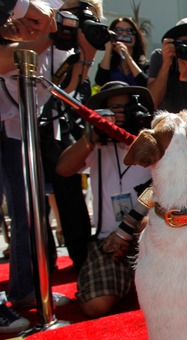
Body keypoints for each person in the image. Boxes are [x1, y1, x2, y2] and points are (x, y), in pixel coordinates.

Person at [0, 0, 100, 326]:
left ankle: (26, 289)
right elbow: (8, 59)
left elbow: (59, 89)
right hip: (10, 128)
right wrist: (50, 32)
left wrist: (76, 50)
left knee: (26, 211)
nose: (31, 25)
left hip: (16, 130)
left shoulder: (45, 39)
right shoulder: (30, 28)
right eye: (25, 19)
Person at [56, 81, 153, 317]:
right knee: (95, 305)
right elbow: (63, 169)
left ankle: (139, 281)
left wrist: (128, 231)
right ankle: (126, 282)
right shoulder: (95, 146)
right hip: (108, 242)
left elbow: (160, 193)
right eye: (111, 111)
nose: (118, 116)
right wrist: (91, 137)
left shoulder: (152, 143)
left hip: (148, 238)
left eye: (124, 108)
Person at [95, 17, 148, 87]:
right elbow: (100, 81)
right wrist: (108, 48)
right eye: (119, 30)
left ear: (136, 38)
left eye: (130, 31)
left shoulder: (145, 65)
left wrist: (127, 56)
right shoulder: (108, 63)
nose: (124, 34)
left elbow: (145, 83)